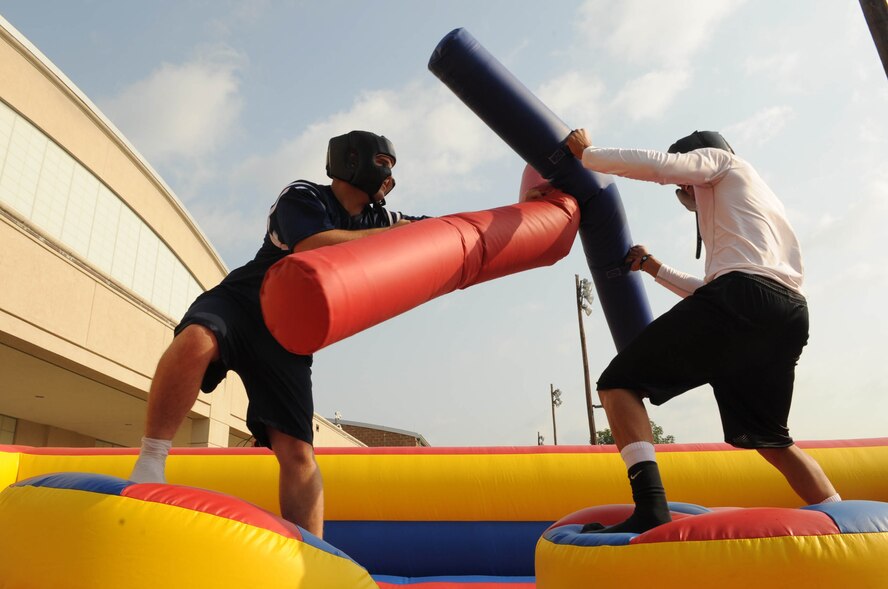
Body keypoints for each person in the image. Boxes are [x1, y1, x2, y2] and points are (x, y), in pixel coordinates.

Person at [130, 130, 424, 538]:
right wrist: (393, 235)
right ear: (351, 161)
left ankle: (312, 554)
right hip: (246, 301)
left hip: (288, 330)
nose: (389, 177)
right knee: (197, 340)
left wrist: (517, 211)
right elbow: (312, 247)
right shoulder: (303, 196)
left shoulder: (380, 219)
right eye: (383, 165)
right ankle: (150, 461)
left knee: (298, 453)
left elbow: (445, 228)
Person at [563, 128, 840, 534]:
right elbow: (716, 289)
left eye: (684, 185)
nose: (684, 192)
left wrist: (589, 155)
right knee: (771, 439)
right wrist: (655, 269)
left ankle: (650, 508)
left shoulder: (724, 162)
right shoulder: (757, 205)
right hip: (788, 313)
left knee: (616, 386)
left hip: (742, 298)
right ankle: (846, 520)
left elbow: (660, 166)